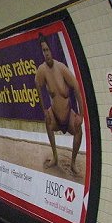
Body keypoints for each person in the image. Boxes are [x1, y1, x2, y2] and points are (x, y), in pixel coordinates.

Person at [34, 33, 84, 175]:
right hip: (55, 115)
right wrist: (44, 110)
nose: (46, 53)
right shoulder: (41, 70)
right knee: (47, 121)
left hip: (68, 116)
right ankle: (55, 157)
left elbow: (77, 89)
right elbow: (38, 88)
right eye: (44, 51)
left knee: (79, 130)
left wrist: (81, 115)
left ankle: (73, 163)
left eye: (48, 50)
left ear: (52, 51)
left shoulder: (61, 68)